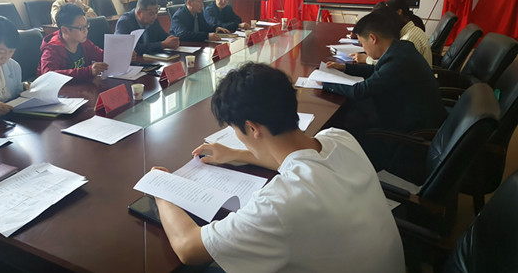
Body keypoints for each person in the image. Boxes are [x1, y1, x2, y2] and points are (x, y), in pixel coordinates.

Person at [153, 63, 404, 272]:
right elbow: (301, 160)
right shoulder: (340, 138)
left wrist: (162, 189)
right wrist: (235, 154)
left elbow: (188, 247)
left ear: (252, 128)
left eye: (234, 129)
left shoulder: (278, 203)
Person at [323, 10, 446, 139]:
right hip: (412, 112)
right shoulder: (401, 48)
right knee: (356, 110)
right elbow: (376, 70)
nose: (363, 49)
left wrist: (325, 85)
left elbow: (360, 90)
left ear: (373, 38)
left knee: (350, 123)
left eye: (362, 44)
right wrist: (344, 68)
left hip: (415, 127)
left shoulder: (398, 61)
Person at [353, 0, 432, 67]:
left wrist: (367, 59)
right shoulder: (407, 32)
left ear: (398, 13)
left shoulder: (409, 39)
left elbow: (393, 64)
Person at [39, 4, 108, 79]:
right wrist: (88, 71)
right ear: (65, 30)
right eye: (81, 28)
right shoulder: (51, 50)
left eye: (86, 26)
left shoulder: (83, 42)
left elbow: (102, 56)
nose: (86, 31)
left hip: (81, 85)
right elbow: (48, 76)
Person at [115, 0, 179, 55]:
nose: (154, 16)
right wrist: (162, 45)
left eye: (156, 12)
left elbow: (163, 36)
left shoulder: (153, 20)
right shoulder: (124, 22)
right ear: (139, 13)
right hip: (135, 60)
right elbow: (131, 48)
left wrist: (172, 40)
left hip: (151, 58)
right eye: (151, 14)